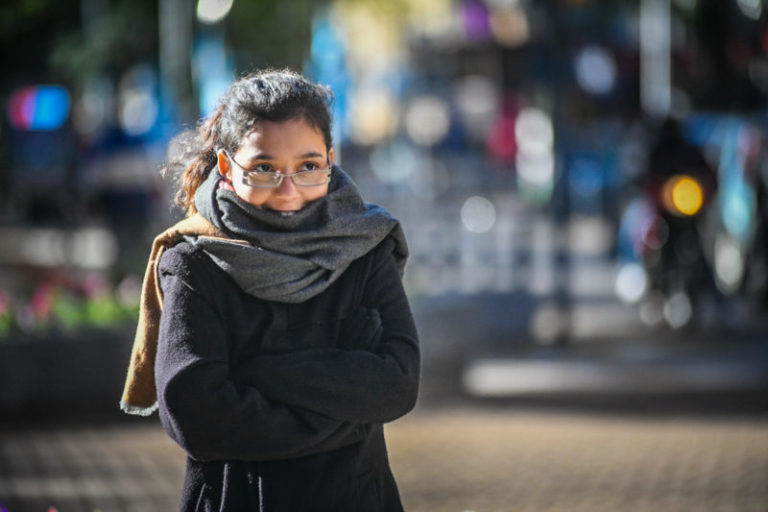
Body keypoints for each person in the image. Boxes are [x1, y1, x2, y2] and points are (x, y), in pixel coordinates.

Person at [120, 69, 419, 511]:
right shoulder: (193, 262)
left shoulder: (365, 247)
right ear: (226, 166)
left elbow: (397, 384)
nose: (288, 191)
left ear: (330, 160)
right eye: (264, 168)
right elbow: (195, 416)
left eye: (308, 167)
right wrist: (349, 413)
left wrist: (256, 374)